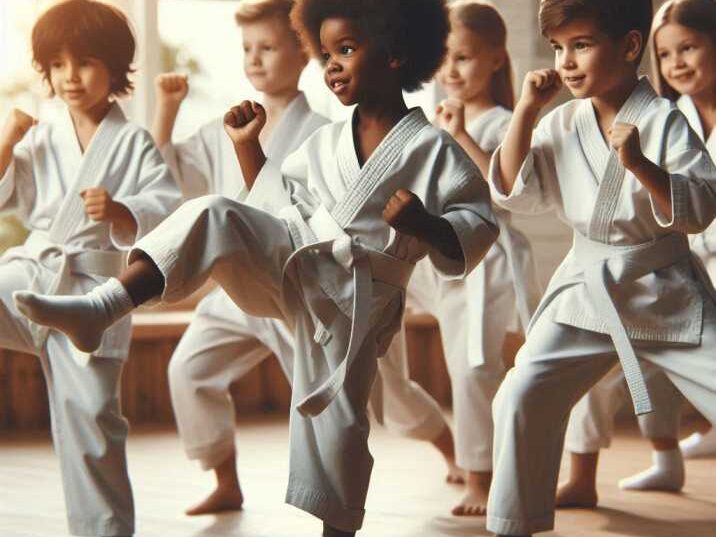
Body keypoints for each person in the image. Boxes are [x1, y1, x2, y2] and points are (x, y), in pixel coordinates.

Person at [15, 1, 499, 535]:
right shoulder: (327, 142)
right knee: (215, 212)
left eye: (347, 50)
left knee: (337, 425)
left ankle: (337, 529)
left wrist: (426, 225)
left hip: (354, 300)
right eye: (327, 52)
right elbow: (277, 206)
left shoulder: (434, 150)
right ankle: (102, 305)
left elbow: (477, 225)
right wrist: (248, 150)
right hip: (296, 259)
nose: (331, 65)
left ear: (397, 55)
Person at [155, 0, 458, 517]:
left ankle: (451, 452)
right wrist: (167, 110)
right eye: (247, 49)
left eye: (268, 47)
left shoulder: (328, 130)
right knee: (189, 368)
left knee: (377, 396)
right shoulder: (222, 126)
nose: (254, 59)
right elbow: (171, 178)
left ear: (302, 56)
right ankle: (226, 480)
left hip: (323, 291)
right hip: (245, 280)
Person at [483, 0, 716, 535]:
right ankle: (512, 523)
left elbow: (700, 208)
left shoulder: (662, 120)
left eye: (581, 45)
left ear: (630, 47)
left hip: (661, 287)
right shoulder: (562, 119)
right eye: (559, 48)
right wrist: (524, 110)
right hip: (588, 287)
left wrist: (639, 164)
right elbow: (518, 191)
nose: (566, 61)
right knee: (522, 392)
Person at [0, 1, 181, 536]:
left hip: (93, 291)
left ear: (115, 66)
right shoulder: (39, 135)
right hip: (34, 273)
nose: (69, 77)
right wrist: (8, 139)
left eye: (83, 62)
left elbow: (168, 208)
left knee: (92, 421)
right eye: (56, 65)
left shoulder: (132, 141)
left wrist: (124, 211)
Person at [558, 0, 716, 508]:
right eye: (666, 54)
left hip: (695, 251)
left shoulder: (666, 119)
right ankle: (623, 466)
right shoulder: (669, 115)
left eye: (689, 47)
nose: (677, 63)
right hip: (671, 256)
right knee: (614, 363)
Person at [426, 0, 542, 516]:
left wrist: (458, 135)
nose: (452, 70)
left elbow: (501, 191)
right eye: (445, 59)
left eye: (465, 58)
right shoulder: (434, 120)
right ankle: (484, 461)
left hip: (489, 259)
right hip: (443, 256)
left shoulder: (500, 121)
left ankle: (482, 478)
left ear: (496, 59)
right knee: (463, 367)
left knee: (475, 367)